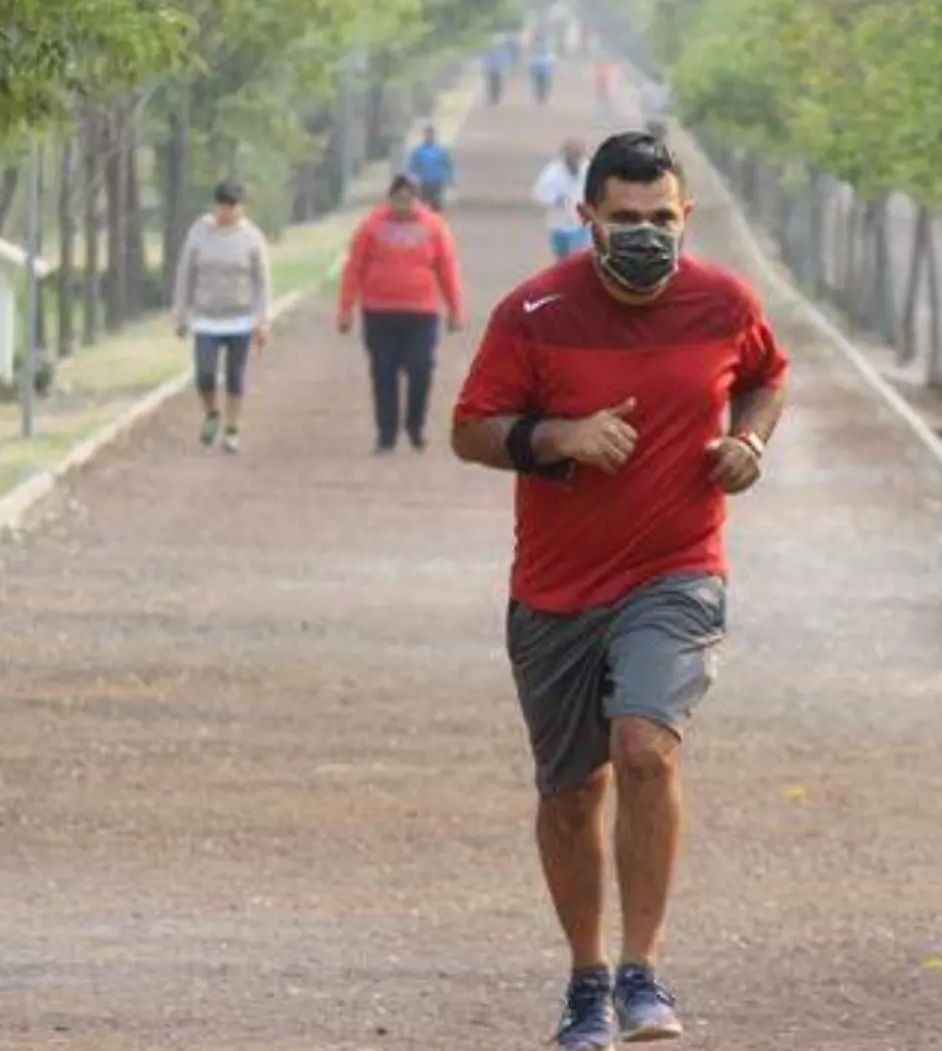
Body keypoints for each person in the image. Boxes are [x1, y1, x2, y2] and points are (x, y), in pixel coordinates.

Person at [449, 131, 790, 1051]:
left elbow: (765, 378)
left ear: (687, 218)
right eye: (626, 219)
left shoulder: (724, 301)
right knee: (571, 789)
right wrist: (560, 438)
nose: (646, 234)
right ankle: (587, 980)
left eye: (663, 219)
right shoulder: (535, 310)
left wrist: (749, 444)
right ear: (586, 217)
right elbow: (472, 430)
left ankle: (643, 971)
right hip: (557, 589)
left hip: (676, 571)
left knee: (644, 748)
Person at [337, 174, 465, 454]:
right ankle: (386, 434)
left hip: (421, 313)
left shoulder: (433, 226)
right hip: (379, 312)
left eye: (408, 199)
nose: (403, 205)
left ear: (417, 200)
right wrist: (345, 308)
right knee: (383, 372)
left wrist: (454, 308)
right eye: (398, 199)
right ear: (390, 198)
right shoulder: (372, 226)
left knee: (421, 368)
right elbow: (354, 268)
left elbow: (446, 268)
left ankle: (415, 425)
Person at [171, 179, 272, 455]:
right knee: (204, 373)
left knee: (235, 376)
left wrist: (262, 320)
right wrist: (181, 314)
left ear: (241, 208)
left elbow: (261, 281)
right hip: (206, 317)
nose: (226, 212)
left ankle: (232, 428)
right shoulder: (199, 233)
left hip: (240, 318)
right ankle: (211, 413)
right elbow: (185, 273)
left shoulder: (251, 238)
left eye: (232, 207)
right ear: (215, 206)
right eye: (222, 206)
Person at [532, 139, 590, 261]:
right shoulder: (552, 172)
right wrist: (555, 200)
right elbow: (538, 193)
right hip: (558, 225)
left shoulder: (588, 169)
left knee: (577, 258)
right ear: (564, 156)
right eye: (571, 155)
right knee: (561, 260)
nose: (575, 159)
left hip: (580, 225)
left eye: (577, 155)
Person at [406, 124, 455, 212]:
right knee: (424, 204)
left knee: (436, 204)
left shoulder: (440, 150)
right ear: (424, 136)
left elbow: (449, 164)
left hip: (437, 181)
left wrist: (450, 177)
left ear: (434, 136)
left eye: (431, 134)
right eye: (427, 134)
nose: (429, 136)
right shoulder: (419, 150)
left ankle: (436, 221)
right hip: (424, 181)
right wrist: (412, 177)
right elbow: (411, 165)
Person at [640, 76, 671, 143]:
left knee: (647, 139)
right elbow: (667, 106)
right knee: (660, 140)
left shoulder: (647, 88)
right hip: (660, 121)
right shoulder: (665, 89)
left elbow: (642, 103)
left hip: (650, 120)